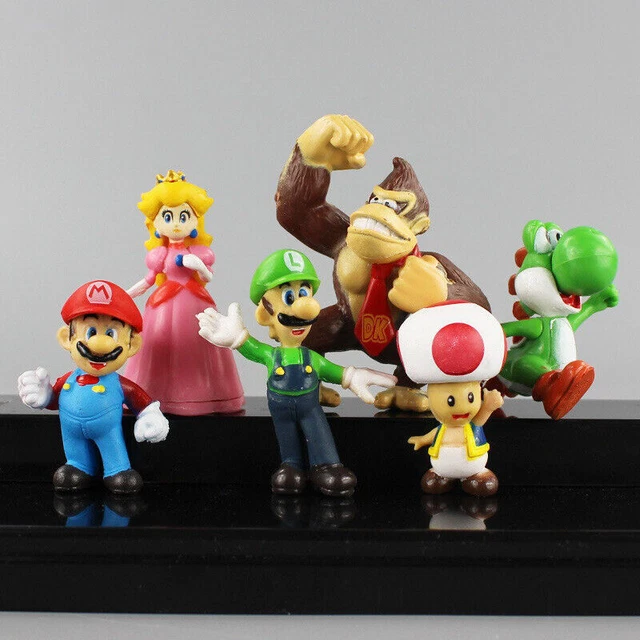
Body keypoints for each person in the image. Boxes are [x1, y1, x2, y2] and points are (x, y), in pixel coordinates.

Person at [198, 249, 396, 497]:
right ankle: (291, 465)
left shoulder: (310, 357)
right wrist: (238, 339)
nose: (304, 308)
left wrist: (352, 376)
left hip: (310, 406)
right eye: (290, 297)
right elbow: (254, 349)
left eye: (305, 294)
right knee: (286, 437)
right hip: (279, 407)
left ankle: (326, 465)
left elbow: (333, 371)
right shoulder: (273, 355)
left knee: (318, 431)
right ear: (266, 313)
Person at [126, 170, 243, 415]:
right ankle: (151, 394)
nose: (176, 224)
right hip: (163, 305)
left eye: (183, 216)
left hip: (195, 303)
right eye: (168, 217)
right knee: (159, 344)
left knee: (200, 344)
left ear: (195, 220)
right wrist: (125, 296)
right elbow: (148, 281)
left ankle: (207, 395)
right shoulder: (159, 255)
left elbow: (207, 277)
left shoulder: (199, 253)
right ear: (156, 223)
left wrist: (198, 265)